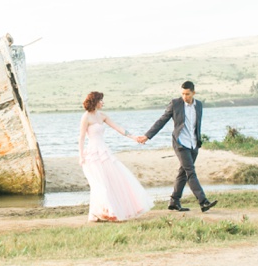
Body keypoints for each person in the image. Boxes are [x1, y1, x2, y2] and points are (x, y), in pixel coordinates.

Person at [136, 81, 218, 213]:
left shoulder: (199, 105)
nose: (184, 96)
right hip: (180, 143)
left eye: (187, 94)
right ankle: (203, 202)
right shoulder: (175, 104)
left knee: (183, 173)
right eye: (183, 93)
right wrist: (147, 136)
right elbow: (162, 120)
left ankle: (174, 201)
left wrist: (198, 141)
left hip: (193, 144)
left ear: (193, 93)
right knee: (190, 171)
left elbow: (197, 125)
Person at [79, 91, 156, 222]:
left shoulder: (102, 116)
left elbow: (118, 128)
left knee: (112, 180)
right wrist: (81, 155)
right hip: (93, 153)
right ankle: (97, 212)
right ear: (95, 101)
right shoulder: (86, 117)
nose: (103, 102)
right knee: (99, 183)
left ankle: (106, 212)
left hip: (104, 151)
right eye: (101, 100)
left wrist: (133, 137)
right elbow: (81, 138)